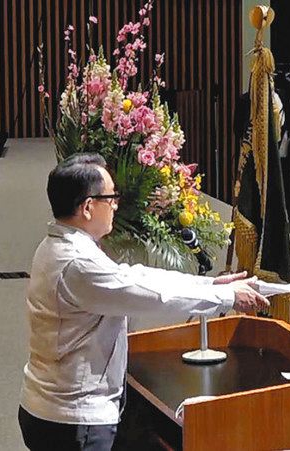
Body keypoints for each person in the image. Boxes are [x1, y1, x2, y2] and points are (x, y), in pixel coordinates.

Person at [18, 153, 269, 451]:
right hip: (74, 420)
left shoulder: (60, 244)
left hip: (51, 409)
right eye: (110, 197)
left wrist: (210, 284)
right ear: (87, 207)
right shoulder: (78, 263)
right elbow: (154, 297)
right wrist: (228, 297)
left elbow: (136, 277)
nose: (115, 204)